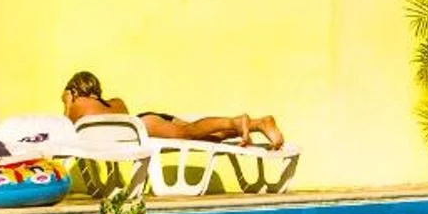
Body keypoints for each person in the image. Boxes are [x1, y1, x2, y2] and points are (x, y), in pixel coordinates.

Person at [62, 71, 284, 148]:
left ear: (75, 89)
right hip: (147, 119)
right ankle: (257, 124)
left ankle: (233, 122)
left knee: (185, 133)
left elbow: (67, 129)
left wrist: (67, 101)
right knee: (200, 135)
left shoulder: (77, 106)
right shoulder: (115, 102)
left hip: (146, 126)